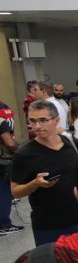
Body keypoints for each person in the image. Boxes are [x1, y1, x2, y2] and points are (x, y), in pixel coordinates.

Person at [11, 100, 78, 245]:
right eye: (32, 121)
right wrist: (35, 183)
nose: (37, 126)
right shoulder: (24, 154)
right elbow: (15, 191)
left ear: (56, 120)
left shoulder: (73, 144)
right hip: (48, 226)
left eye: (43, 120)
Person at [0, 100, 21, 235]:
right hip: (2, 160)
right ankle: (4, 225)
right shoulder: (2, 116)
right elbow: (9, 142)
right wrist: (21, 152)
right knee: (4, 191)